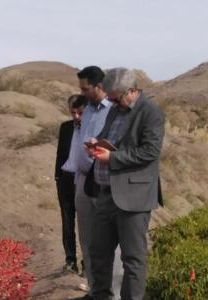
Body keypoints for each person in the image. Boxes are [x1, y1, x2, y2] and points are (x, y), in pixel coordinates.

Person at [86, 68, 165, 300]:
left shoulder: (151, 113)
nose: (112, 102)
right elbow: (111, 138)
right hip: (105, 194)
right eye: (110, 98)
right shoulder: (115, 109)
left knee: (132, 259)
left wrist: (112, 158)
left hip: (133, 197)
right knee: (98, 252)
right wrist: (97, 143)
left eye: (116, 98)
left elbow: (150, 152)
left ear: (132, 90)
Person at [71, 66, 112, 300]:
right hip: (83, 179)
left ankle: (111, 292)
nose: (82, 93)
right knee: (86, 237)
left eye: (85, 88)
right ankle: (95, 289)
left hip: (103, 180)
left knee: (107, 240)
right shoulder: (87, 111)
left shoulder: (113, 110)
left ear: (99, 86)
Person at [55, 94, 87, 273]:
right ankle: (70, 260)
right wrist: (57, 177)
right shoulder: (65, 128)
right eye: (73, 112)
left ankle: (87, 263)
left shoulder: (92, 129)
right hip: (65, 178)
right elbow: (60, 155)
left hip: (83, 180)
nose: (76, 116)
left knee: (85, 223)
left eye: (80, 113)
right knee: (67, 221)